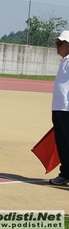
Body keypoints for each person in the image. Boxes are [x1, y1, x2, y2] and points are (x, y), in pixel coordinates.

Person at [49, 31, 69, 186]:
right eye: (57, 43)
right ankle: (66, 173)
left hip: (67, 109)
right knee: (62, 143)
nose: (58, 45)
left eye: (61, 43)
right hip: (59, 108)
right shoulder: (64, 61)